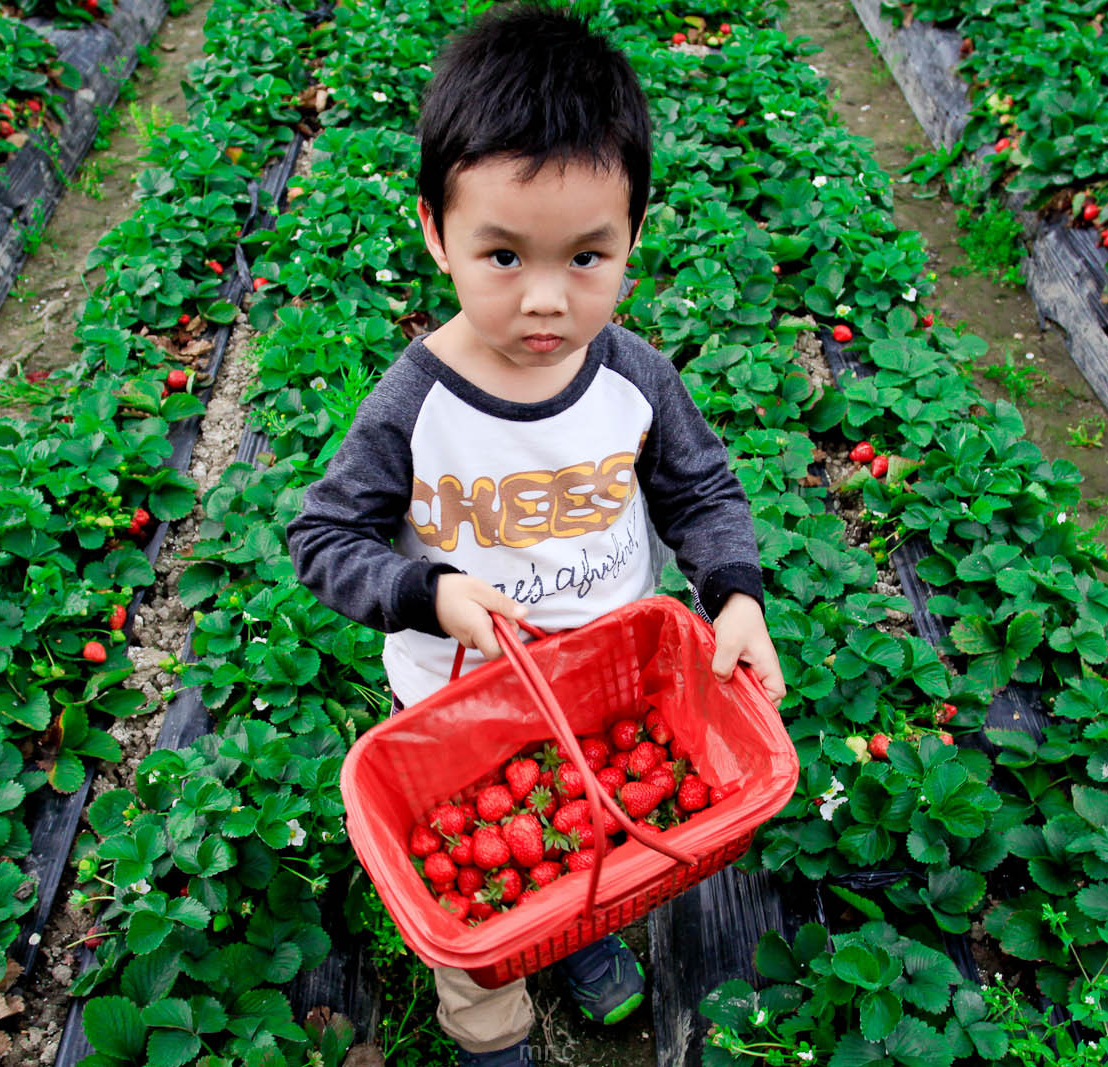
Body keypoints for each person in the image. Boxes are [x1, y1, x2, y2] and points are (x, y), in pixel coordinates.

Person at [286, 3, 785, 1063]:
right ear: (435, 231)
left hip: (603, 689)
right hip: (458, 699)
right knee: (467, 878)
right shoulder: (415, 403)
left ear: (632, 239)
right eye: (503, 255)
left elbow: (701, 489)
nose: (547, 300)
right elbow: (322, 536)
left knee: (588, 833)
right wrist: (431, 592)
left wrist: (733, 594)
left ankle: (575, 932)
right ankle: (488, 1013)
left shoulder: (635, 376)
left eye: (588, 257)